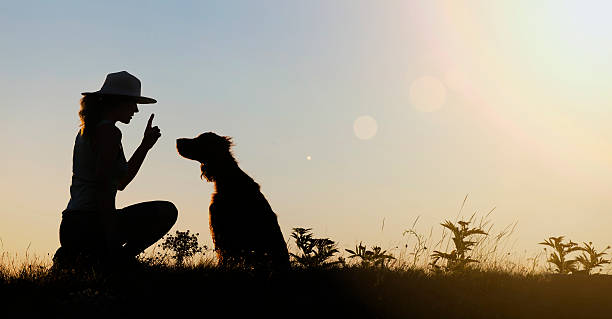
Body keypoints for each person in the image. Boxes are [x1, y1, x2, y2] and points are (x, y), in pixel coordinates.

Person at [53, 71, 178, 270]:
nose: (136, 110)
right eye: (132, 103)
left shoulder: (90, 130)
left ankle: (83, 257)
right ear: (117, 102)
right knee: (166, 211)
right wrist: (110, 235)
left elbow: (120, 183)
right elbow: (104, 185)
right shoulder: (109, 132)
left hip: (74, 225)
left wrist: (145, 146)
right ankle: (115, 261)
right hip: (90, 223)